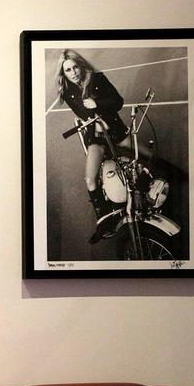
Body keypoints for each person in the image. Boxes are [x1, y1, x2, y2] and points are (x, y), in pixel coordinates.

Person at [55, 49, 131, 244]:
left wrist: (96, 103)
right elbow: (83, 114)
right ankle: (106, 223)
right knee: (90, 180)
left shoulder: (97, 79)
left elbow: (118, 102)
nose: (73, 73)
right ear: (64, 74)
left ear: (81, 66)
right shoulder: (67, 92)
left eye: (75, 67)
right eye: (68, 70)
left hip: (115, 129)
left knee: (142, 159)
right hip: (96, 136)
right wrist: (91, 114)